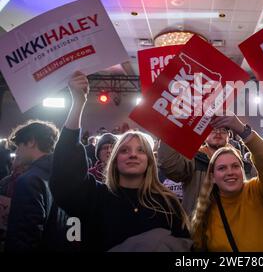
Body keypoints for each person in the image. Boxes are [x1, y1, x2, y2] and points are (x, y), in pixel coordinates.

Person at [50, 72, 191, 251]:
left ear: (149, 161)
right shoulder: (96, 197)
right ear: (114, 160)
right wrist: (78, 102)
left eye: (140, 151)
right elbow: (66, 177)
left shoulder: (167, 202)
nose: (133, 155)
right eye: (124, 150)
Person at [191, 114, 263, 251]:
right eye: (222, 168)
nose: (230, 172)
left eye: (235, 166)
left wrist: (242, 130)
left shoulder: (257, 192)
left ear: (242, 170)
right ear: (212, 177)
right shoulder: (206, 209)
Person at [5, 120, 73, 251]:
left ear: (31, 141)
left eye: (18, 145)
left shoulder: (29, 180)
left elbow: (24, 237)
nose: (17, 152)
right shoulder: (66, 176)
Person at [158, 124, 239, 216]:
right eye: (212, 129)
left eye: (223, 130)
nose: (218, 132)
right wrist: (169, 132)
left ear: (229, 136)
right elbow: (169, 165)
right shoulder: (192, 160)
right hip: (198, 225)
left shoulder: (241, 164)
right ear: (203, 136)